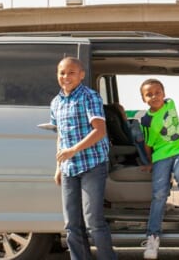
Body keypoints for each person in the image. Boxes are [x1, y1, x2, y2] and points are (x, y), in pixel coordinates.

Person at [50, 57, 117, 260]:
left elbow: (100, 130)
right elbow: (60, 135)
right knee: (71, 224)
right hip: (69, 167)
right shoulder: (56, 102)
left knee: (93, 221)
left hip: (92, 164)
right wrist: (59, 165)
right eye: (62, 72)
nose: (66, 77)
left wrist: (73, 150)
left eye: (71, 72)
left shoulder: (89, 96)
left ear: (81, 75)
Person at [138, 78, 179, 260]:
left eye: (158, 92)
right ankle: (152, 237)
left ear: (164, 94)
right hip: (160, 156)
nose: (154, 96)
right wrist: (150, 162)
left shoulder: (170, 103)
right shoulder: (147, 120)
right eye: (149, 94)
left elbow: (177, 120)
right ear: (144, 99)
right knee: (159, 194)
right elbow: (148, 145)